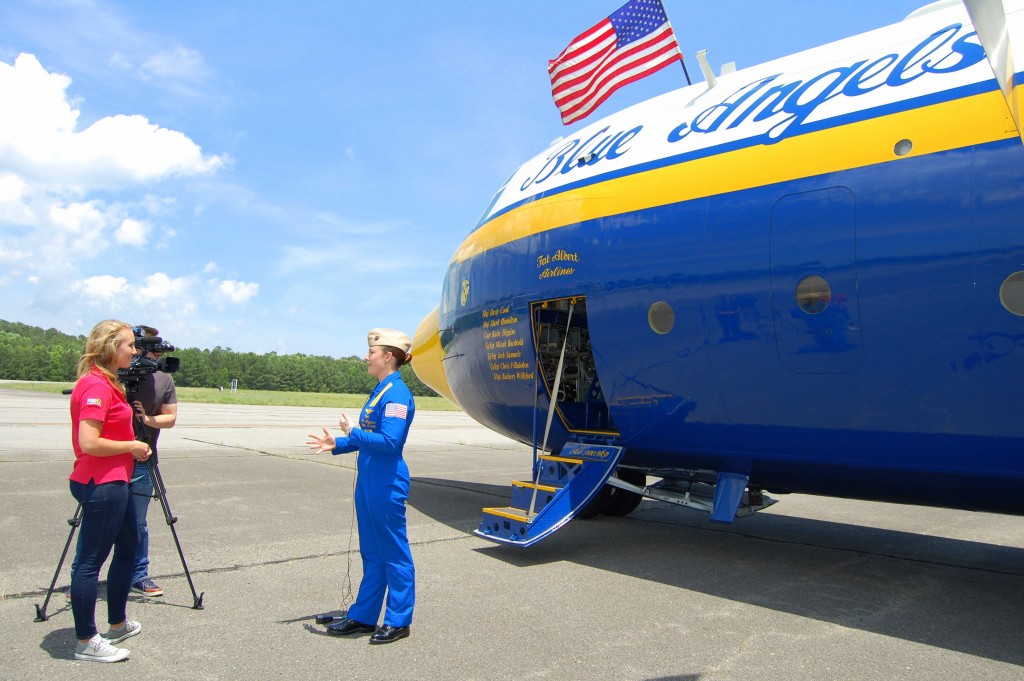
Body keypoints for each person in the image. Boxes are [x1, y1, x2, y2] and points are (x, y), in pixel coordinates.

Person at [306, 328, 417, 645]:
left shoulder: (396, 394)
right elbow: (369, 440)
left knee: (394, 553)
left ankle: (398, 619)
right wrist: (338, 443)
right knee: (372, 551)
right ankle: (364, 616)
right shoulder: (380, 391)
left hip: (387, 481)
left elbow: (390, 442)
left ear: (388, 356)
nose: (366, 357)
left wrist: (353, 433)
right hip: (370, 478)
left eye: (372, 352)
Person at [67, 324, 178, 598]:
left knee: (135, 526)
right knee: (95, 529)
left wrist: (145, 420)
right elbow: (91, 437)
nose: (141, 353)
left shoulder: (163, 379)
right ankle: (81, 581)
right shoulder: (108, 379)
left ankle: (137, 576)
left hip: (141, 459)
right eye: (137, 347)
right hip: (108, 465)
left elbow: (171, 418)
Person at [67, 320, 151, 662]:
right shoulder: (96, 386)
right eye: (129, 345)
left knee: (129, 548)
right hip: (101, 482)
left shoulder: (107, 382)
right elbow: (89, 442)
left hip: (116, 480)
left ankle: (117, 623)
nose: (135, 351)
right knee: (90, 562)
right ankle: (87, 641)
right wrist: (131, 444)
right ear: (110, 346)